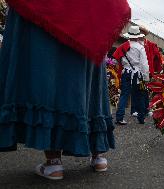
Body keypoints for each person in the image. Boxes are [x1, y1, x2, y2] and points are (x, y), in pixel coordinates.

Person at [0, 0, 131, 180]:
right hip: (90, 12)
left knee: (49, 75)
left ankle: (54, 162)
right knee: (89, 80)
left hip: (48, 9)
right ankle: (98, 154)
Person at [113, 26, 150, 125]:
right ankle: (141, 118)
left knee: (124, 95)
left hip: (126, 72)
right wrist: (146, 77)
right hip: (137, 73)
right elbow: (144, 64)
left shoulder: (122, 46)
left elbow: (116, 59)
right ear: (138, 36)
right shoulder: (140, 47)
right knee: (140, 95)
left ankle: (119, 117)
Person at [130, 25, 163, 117]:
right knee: (135, 91)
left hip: (147, 71)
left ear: (144, 34)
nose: (140, 35)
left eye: (141, 33)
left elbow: (157, 58)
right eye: (138, 33)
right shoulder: (131, 44)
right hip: (135, 71)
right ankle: (134, 110)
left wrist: (157, 70)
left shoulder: (151, 45)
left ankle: (146, 109)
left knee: (145, 91)